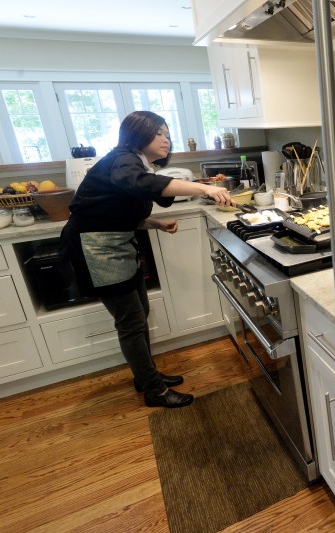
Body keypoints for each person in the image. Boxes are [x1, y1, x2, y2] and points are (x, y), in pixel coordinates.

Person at [61, 111, 236, 408]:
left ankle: (146, 376)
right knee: (130, 321)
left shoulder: (137, 163)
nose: (166, 140)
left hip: (114, 244)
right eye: (160, 133)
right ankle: (154, 391)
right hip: (95, 249)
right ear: (138, 133)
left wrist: (153, 223)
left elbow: (114, 211)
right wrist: (206, 187)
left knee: (139, 312)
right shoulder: (124, 159)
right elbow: (139, 186)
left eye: (168, 135)